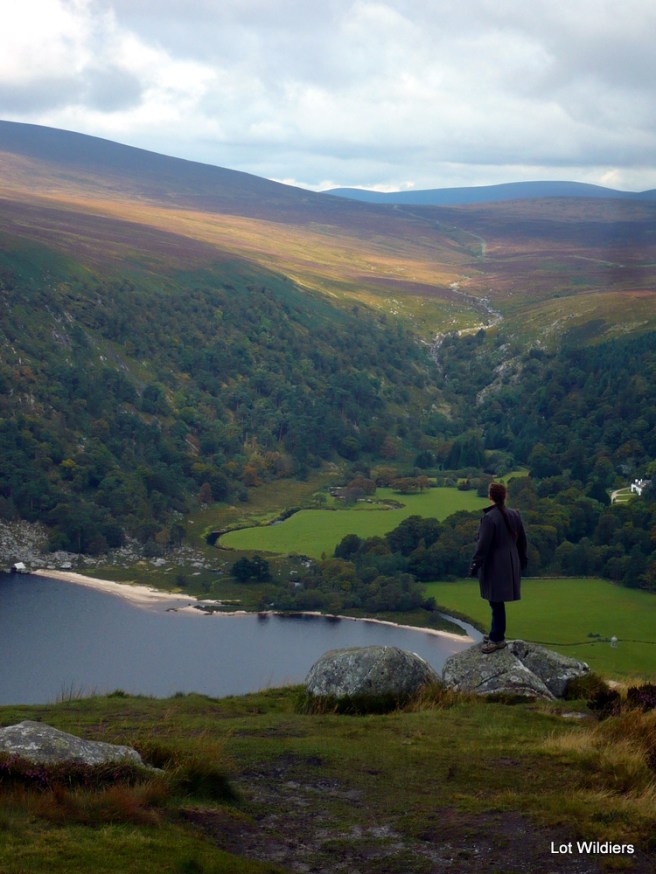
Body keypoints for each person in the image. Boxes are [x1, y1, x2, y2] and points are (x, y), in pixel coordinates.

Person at [469, 482, 528, 653]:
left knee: (495, 602)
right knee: (496, 601)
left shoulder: (490, 518)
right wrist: (522, 561)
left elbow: (483, 546)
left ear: (490, 496)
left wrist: (474, 565)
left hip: (495, 564)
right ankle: (496, 633)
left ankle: (497, 638)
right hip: (511, 562)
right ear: (505, 496)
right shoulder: (514, 514)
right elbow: (522, 541)